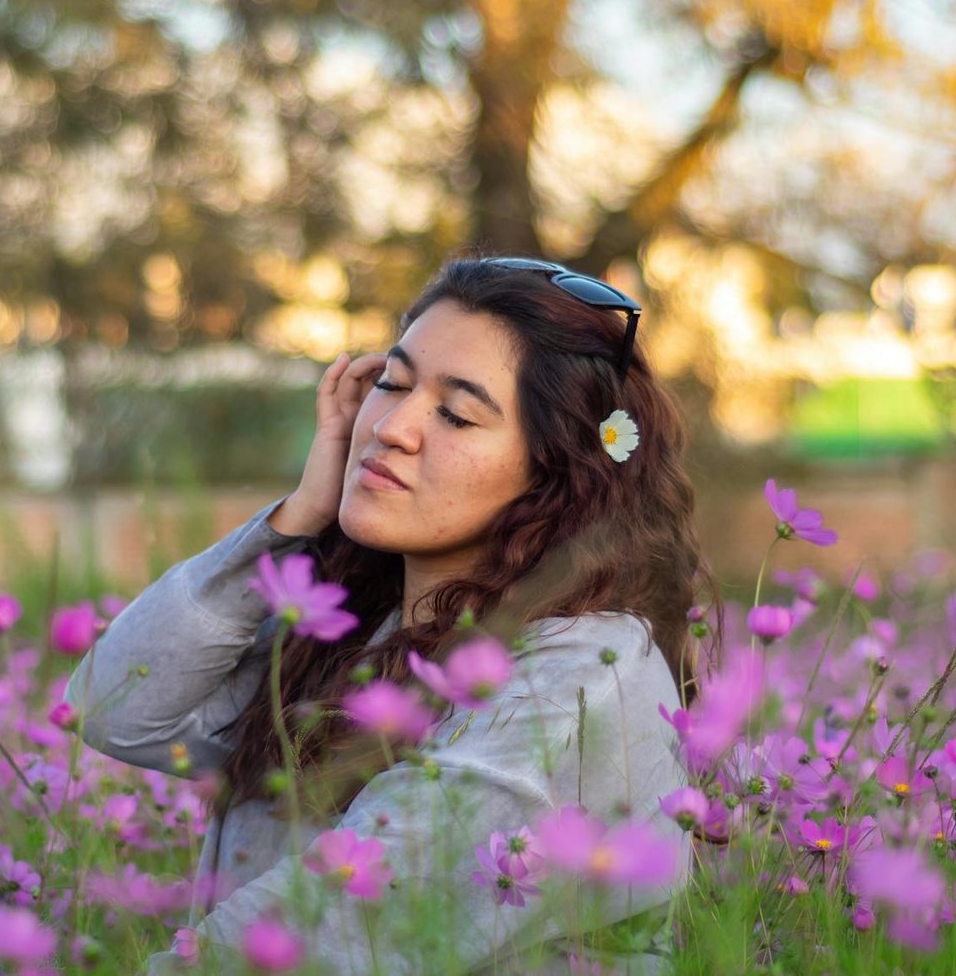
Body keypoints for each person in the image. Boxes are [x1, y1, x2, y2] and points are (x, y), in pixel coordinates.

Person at [67, 255, 719, 974]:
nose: (393, 427)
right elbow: (118, 709)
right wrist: (295, 522)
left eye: (457, 413)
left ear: (558, 471)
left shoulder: (578, 672)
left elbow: (342, 932)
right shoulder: (364, 634)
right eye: (392, 383)